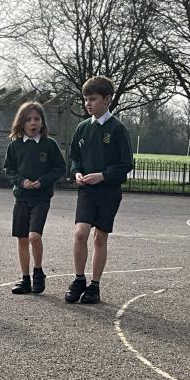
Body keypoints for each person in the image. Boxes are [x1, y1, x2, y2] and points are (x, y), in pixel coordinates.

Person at [65, 76, 133, 305]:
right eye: (85, 99)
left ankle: (94, 286)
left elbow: (126, 164)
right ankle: (78, 280)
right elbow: (75, 158)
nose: (88, 103)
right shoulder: (82, 128)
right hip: (87, 191)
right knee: (80, 233)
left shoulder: (118, 129)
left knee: (100, 238)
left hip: (108, 192)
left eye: (92, 99)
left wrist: (103, 175)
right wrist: (77, 173)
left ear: (107, 99)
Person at [3, 101, 66, 295]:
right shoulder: (15, 145)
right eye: (28, 119)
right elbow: (9, 169)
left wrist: (43, 181)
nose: (33, 123)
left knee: (34, 236)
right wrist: (21, 182)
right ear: (21, 123)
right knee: (22, 239)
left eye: (37, 119)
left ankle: (38, 271)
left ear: (42, 122)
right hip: (21, 198)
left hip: (41, 198)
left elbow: (59, 168)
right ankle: (25, 279)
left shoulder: (50, 144)